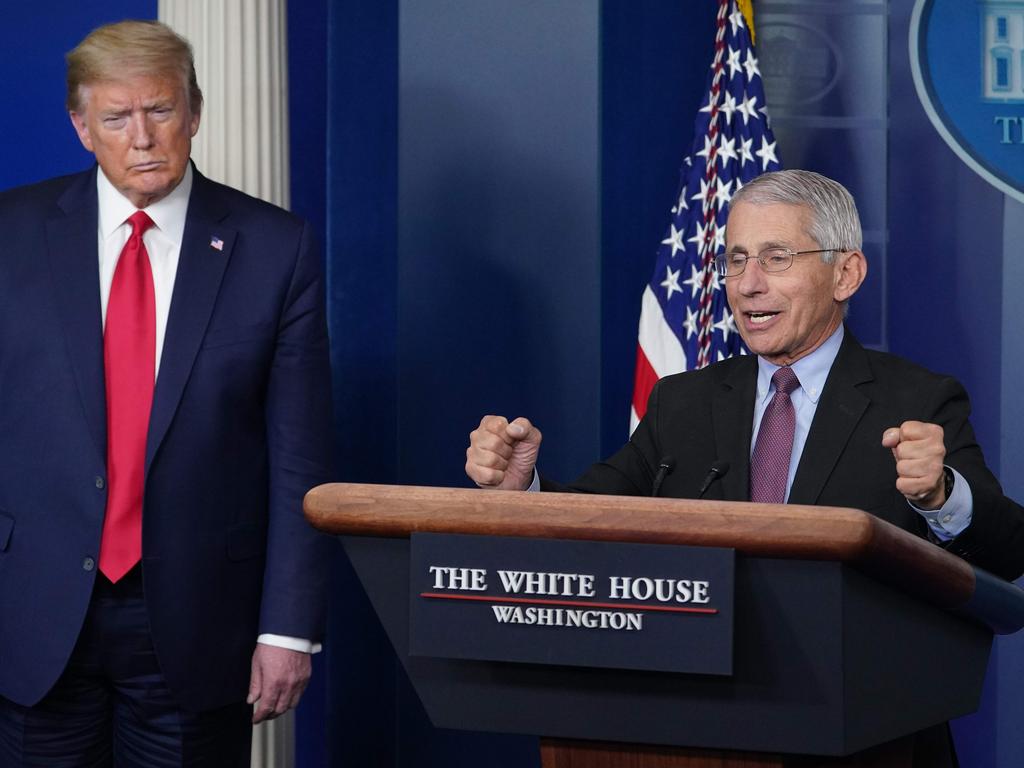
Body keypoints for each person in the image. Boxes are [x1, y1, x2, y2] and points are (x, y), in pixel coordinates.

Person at [465, 169, 1024, 766]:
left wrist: (940, 496)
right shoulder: (683, 401)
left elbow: (1007, 551)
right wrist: (519, 487)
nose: (748, 285)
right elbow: (598, 516)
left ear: (846, 273)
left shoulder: (916, 401)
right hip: (693, 726)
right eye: (736, 260)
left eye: (776, 258)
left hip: (866, 739)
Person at [0, 20, 333, 766]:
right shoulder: (9, 234)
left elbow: (300, 456)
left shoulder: (276, 247)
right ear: (82, 128)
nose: (142, 137)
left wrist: (286, 628)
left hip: (198, 626)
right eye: (117, 118)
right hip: (30, 617)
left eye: (160, 111)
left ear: (195, 113)